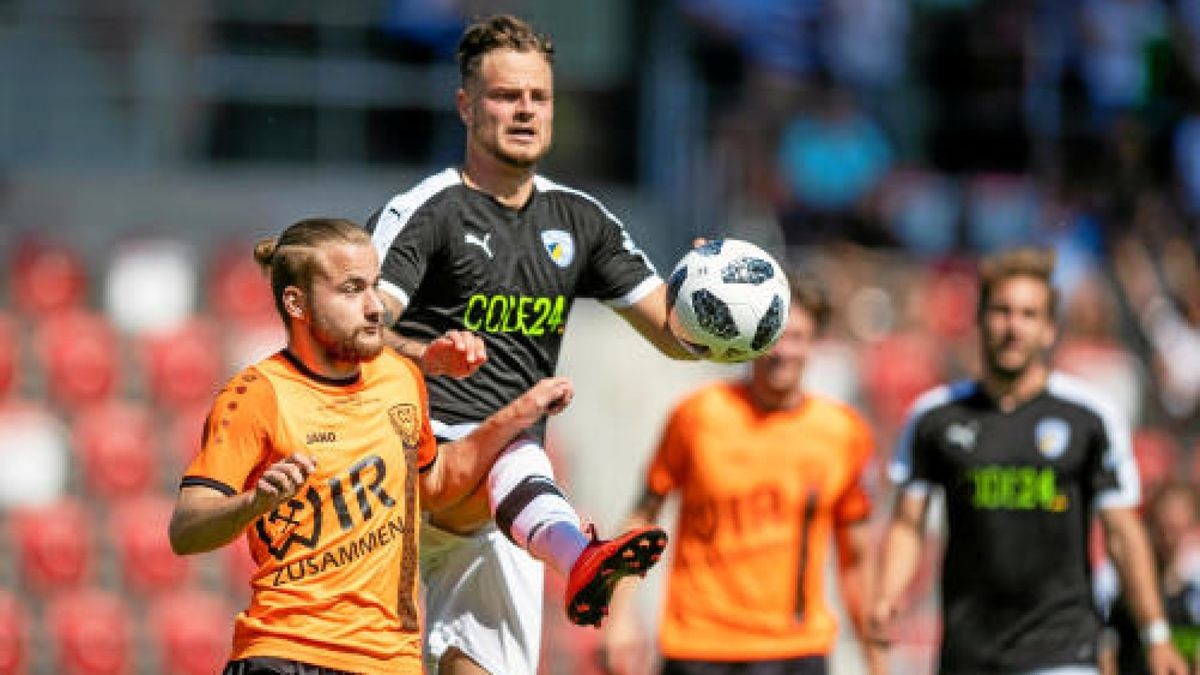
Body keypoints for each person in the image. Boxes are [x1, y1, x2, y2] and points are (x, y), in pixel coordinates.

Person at [365, 14, 698, 675]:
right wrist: (426, 356)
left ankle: (579, 557)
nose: (524, 110)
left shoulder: (581, 220)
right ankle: (578, 554)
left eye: (538, 97)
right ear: (465, 106)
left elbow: (678, 336)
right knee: (515, 436)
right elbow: (355, 330)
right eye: (504, 95)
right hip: (399, 475)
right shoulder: (428, 209)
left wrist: (709, 297)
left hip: (498, 503)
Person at [167, 218, 575, 675]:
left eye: (376, 285)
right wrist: (254, 502)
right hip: (287, 654)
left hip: (391, 662)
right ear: (296, 303)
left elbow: (434, 484)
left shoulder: (400, 378)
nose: (375, 306)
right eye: (351, 289)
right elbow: (186, 530)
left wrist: (517, 414)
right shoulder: (256, 395)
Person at [869, 247, 1188, 675]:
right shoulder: (935, 418)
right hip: (969, 654)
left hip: (1063, 647)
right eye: (1001, 311)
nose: (1013, 327)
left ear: (1049, 328)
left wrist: (1156, 634)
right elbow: (909, 523)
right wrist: (889, 595)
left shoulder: (1089, 417)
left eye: (1028, 314)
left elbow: (1122, 532)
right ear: (979, 319)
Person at [602, 273, 886, 675]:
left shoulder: (843, 433)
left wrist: (877, 660)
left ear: (815, 345)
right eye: (773, 336)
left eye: (797, 337)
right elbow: (644, 517)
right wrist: (617, 617)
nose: (782, 352)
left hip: (794, 649)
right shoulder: (698, 415)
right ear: (752, 337)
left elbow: (856, 560)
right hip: (698, 645)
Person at [1097, 479, 1200, 674]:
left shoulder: (1196, 587)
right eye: (1165, 529)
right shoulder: (1115, 582)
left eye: (1179, 530)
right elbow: (1105, 652)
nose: (1171, 539)